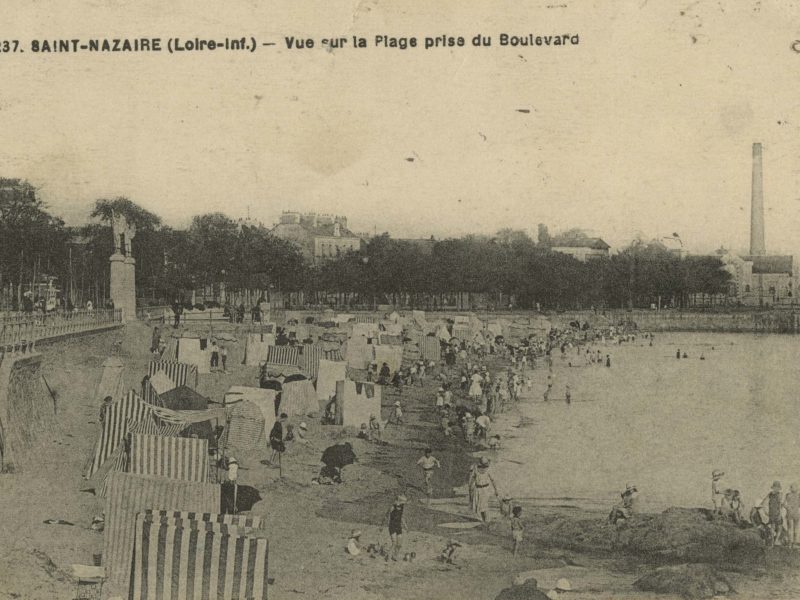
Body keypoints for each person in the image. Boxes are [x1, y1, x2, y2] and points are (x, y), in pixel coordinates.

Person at [469, 457, 499, 525]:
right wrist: (470, 487)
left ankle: (486, 520)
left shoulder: (488, 470)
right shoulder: (476, 469)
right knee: (479, 506)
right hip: (477, 489)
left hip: (485, 490)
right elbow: (472, 479)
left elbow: (493, 480)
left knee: (484, 505)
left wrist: (496, 490)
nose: (483, 466)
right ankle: (484, 520)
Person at [384, 495, 408, 561]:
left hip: (398, 526)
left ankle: (395, 556)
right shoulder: (392, 507)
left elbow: (402, 517)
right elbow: (387, 515)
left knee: (399, 544)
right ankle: (388, 556)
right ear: (399, 501)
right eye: (403, 502)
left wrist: (405, 526)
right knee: (394, 542)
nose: (403, 504)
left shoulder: (402, 507)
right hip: (392, 526)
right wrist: (385, 523)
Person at [784, 483, 800, 548]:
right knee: (794, 529)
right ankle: (793, 543)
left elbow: (784, 504)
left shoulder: (788, 495)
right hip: (795, 513)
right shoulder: (798, 495)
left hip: (791, 513)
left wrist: (788, 508)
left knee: (790, 529)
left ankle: (790, 543)